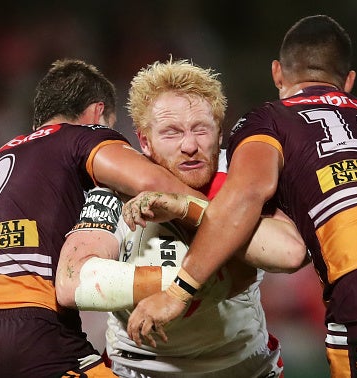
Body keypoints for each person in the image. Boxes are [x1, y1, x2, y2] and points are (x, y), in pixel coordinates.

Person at [125, 16, 357, 378]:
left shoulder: (269, 119)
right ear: (348, 81)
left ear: (277, 74)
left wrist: (178, 292)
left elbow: (245, 196)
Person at [0, 58, 205, 378]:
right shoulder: (81, 136)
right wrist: (221, 215)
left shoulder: (4, 156)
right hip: (30, 332)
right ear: (96, 114)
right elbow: (154, 186)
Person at [55, 59, 307, 377]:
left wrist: (183, 206)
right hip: (139, 370)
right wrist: (190, 286)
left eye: (200, 129)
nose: (189, 146)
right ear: (144, 141)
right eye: (171, 133)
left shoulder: (241, 175)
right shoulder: (116, 185)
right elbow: (72, 282)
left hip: (244, 368)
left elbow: (289, 252)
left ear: (219, 134)